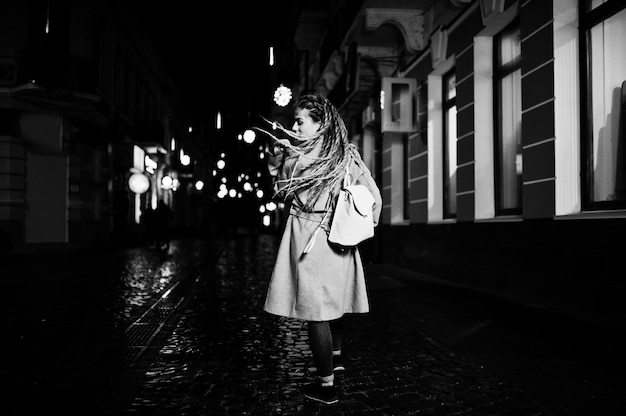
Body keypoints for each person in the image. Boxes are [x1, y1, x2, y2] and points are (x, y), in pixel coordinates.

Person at [259, 94, 382, 405]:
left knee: (317, 314)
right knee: (333, 304)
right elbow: (375, 201)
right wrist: (356, 224)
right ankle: (337, 359)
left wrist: (277, 157)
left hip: (309, 239)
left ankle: (326, 387)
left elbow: (280, 192)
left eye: (300, 121)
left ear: (319, 124)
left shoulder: (297, 158)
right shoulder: (347, 156)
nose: (295, 127)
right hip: (340, 238)